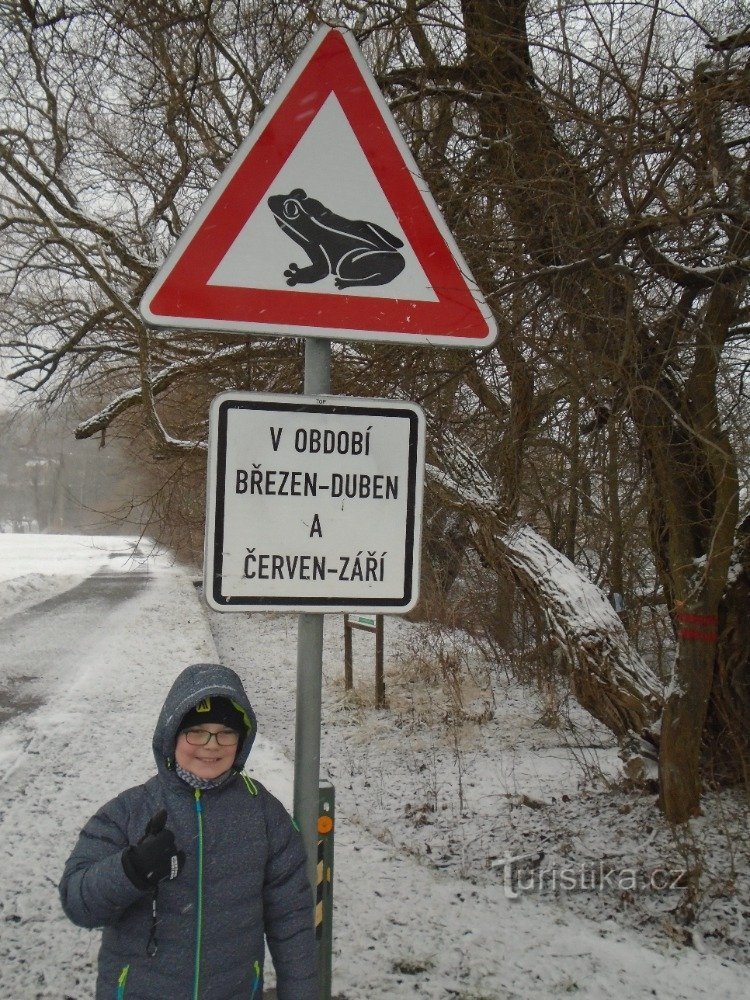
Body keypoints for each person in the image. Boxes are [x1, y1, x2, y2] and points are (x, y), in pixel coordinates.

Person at [59, 662, 318, 999]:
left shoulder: (265, 814)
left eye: (226, 733)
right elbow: (78, 904)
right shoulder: (128, 811)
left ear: (241, 742)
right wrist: (131, 870)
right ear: (172, 736)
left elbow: (292, 921)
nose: (212, 745)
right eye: (196, 731)